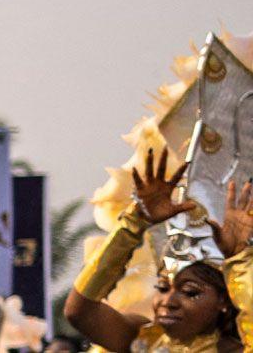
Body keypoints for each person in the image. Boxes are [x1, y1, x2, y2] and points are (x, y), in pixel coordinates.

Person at [64, 148, 252, 351]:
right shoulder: (142, 339)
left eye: (190, 292)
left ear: (224, 300)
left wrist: (240, 261)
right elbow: (80, 312)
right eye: (162, 288)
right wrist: (134, 223)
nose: (168, 302)